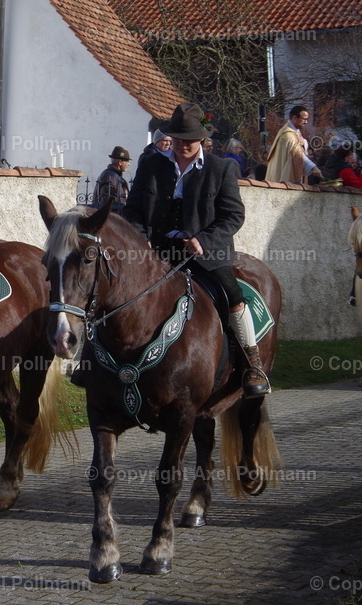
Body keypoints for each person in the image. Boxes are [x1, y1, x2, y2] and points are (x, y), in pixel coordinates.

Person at [124, 102, 270, 398]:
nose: (182, 145)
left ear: (202, 138)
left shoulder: (221, 168)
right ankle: (100, 363)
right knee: (117, 287)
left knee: (232, 294)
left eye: (188, 140)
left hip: (206, 254)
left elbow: (233, 216)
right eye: (177, 138)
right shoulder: (151, 164)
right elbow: (133, 209)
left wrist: (203, 239)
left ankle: (252, 363)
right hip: (159, 252)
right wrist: (141, 237)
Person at [264, 105, 321, 184]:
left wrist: (304, 142)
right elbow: (297, 154)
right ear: (295, 118)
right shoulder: (287, 135)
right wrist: (313, 167)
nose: (306, 122)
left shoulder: (294, 132)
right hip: (284, 179)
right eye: (304, 119)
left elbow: (300, 147)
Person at [91, 146, 130, 211]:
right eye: (127, 161)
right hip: (110, 216)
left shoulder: (115, 176)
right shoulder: (110, 177)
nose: (129, 164)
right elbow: (106, 202)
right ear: (120, 162)